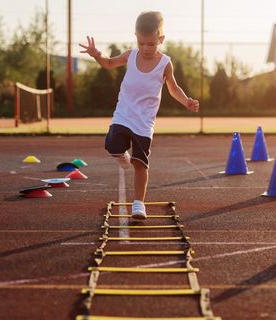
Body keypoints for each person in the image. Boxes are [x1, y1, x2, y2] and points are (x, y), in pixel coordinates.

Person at [79, 11, 199, 219]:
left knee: (140, 164)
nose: (145, 48)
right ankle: (121, 156)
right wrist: (96, 55)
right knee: (112, 145)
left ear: (160, 39)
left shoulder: (165, 63)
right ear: (136, 37)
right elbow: (108, 63)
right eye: (141, 43)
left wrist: (186, 101)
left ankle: (138, 204)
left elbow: (173, 88)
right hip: (124, 114)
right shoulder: (130, 55)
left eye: (151, 44)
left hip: (144, 122)